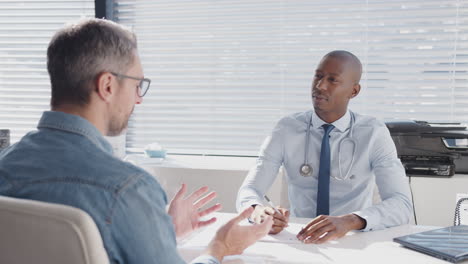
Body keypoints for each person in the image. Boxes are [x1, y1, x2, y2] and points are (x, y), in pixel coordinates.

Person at [0, 18, 273, 264]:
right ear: (107, 86)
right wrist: (220, 247)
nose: (139, 99)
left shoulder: (6, 165)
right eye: (136, 85)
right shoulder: (127, 189)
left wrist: (160, 231)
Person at [236, 50, 413, 244]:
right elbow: (249, 189)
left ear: (353, 91)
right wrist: (258, 211)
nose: (320, 86)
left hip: (352, 240)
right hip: (297, 237)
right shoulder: (286, 129)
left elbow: (401, 204)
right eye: (318, 77)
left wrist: (351, 220)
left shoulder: (373, 133)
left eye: (332, 80)